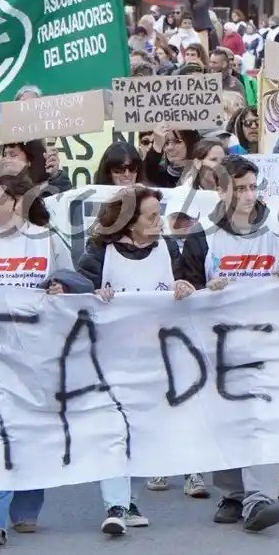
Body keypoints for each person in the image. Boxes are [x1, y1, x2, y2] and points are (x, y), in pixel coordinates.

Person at [176, 156, 279, 530]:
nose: (250, 196)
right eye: (241, 188)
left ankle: (258, 498)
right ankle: (232, 494)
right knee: (225, 421)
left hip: (265, 342)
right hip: (217, 344)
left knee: (259, 419)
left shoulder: (277, 230)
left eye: (254, 187)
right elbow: (184, 286)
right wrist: (204, 289)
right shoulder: (203, 235)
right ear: (222, 191)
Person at [0, 171, 88, 545]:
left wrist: (61, 286)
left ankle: (26, 509)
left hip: (38, 350)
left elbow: (75, 279)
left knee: (34, 430)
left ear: (18, 202)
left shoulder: (47, 240)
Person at [72, 186, 172, 535]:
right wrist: (90, 293)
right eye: (151, 217)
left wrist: (189, 288)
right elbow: (72, 293)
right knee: (112, 431)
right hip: (107, 360)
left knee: (137, 434)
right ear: (130, 222)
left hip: (156, 362)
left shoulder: (169, 249)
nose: (160, 222)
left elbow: (195, 286)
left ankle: (127, 500)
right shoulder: (100, 255)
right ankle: (116, 504)